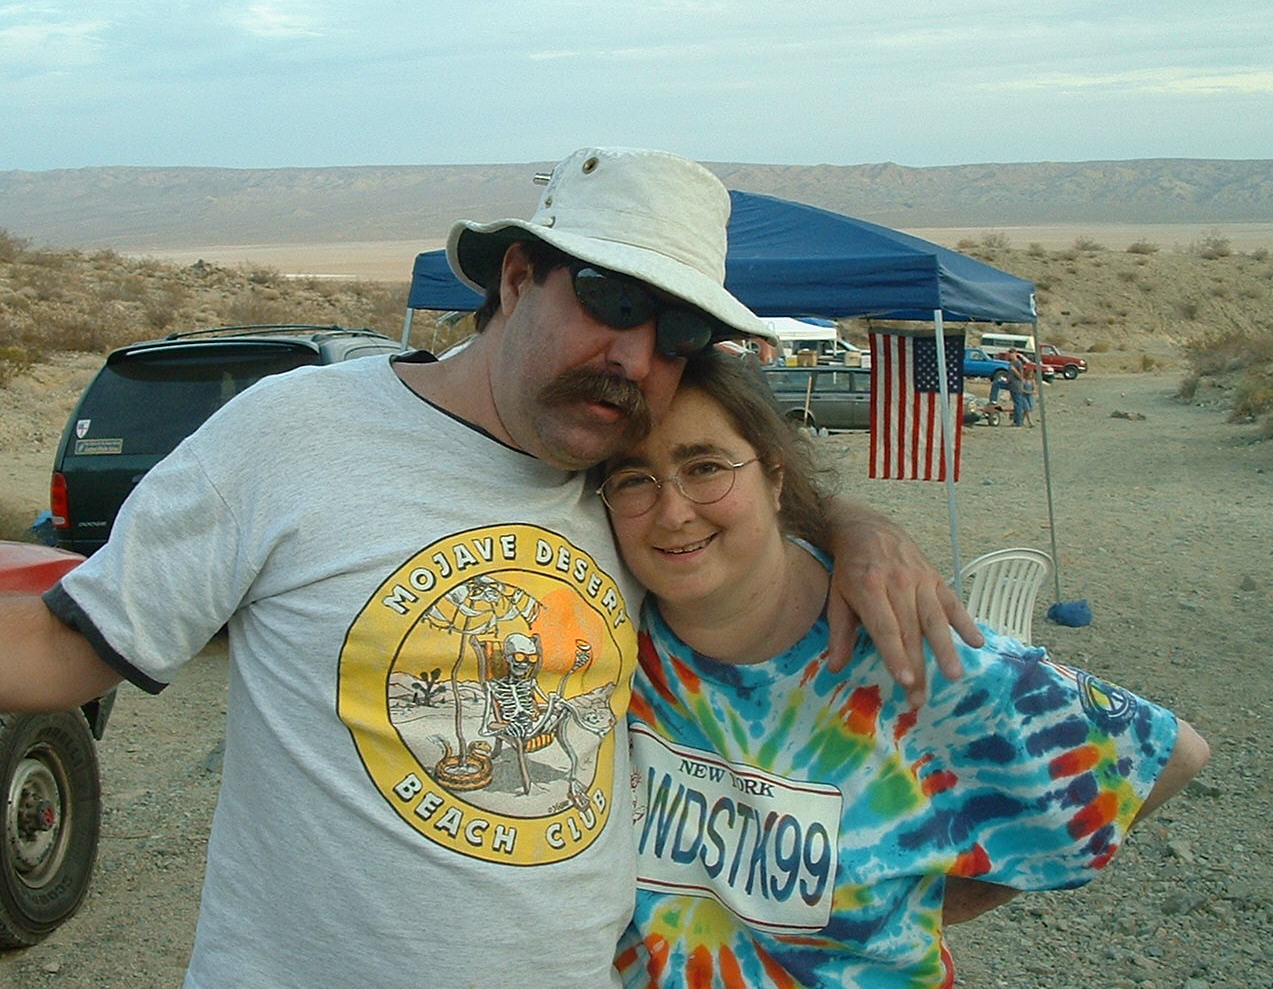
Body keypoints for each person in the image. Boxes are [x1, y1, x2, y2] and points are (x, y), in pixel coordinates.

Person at [0, 147, 981, 988]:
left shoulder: (624, 482)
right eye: (613, 299)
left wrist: (857, 526)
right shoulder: (291, 435)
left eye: (679, 332)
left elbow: (752, 507)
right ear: (515, 277)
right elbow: (60, 650)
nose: (635, 356)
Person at [605, 350, 1210, 989]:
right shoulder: (605, 635)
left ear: (775, 477)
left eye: (705, 467)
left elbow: (1167, 755)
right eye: (634, 479)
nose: (673, 512)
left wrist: (939, 897)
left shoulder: (902, 651)